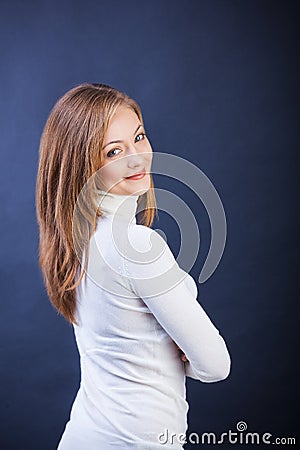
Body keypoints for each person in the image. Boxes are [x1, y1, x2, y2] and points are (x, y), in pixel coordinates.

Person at [35, 83, 231, 450]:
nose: (137, 157)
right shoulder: (138, 246)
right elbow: (216, 365)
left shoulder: (73, 242)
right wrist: (180, 351)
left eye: (139, 137)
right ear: (83, 164)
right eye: (114, 151)